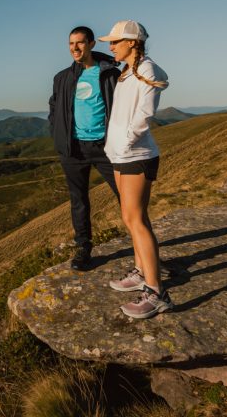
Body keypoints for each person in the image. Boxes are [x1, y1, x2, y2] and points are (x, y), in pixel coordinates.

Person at [99, 20, 173, 319]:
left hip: (136, 154)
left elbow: (144, 115)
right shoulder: (128, 71)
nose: (111, 46)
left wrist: (126, 143)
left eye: (116, 41)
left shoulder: (148, 71)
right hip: (120, 153)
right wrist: (112, 145)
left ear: (132, 42)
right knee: (130, 217)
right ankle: (142, 271)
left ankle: (157, 293)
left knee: (136, 219)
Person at [48, 26, 121, 271]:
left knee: (126, 196)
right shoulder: (62, 78)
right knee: (78, 199)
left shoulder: (109, 73)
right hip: (73, 148)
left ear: (91, 44)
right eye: (71, 44)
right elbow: (54, 109)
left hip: (105, 147)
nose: (75, 48)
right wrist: (58, 135)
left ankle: (145, 250)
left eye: (80, 43)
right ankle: (83, 247)